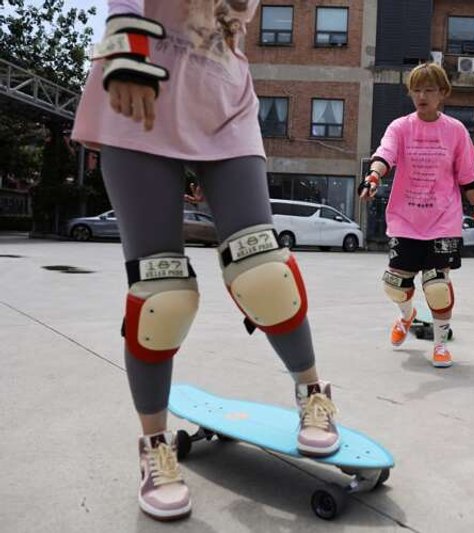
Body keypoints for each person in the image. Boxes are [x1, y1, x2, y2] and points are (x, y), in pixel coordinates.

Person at [71, 1, 339, 521]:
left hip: (222, 96)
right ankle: (154, 445)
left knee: (263, 270)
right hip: (140, 80)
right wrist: (125, 47)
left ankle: (313, 392)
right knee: (160, 292)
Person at [360, 62, 474, 368]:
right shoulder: (401, 127)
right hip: (406, 220)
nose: (422, 95)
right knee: (394, 285)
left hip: (443, 222)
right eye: (416, 89)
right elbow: (385, 154)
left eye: (429, 89)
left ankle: (441, 344)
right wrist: (373, 177)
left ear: (442, 93)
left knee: (436, 287)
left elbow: (469, 177)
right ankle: (407, 317)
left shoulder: (456, 131)